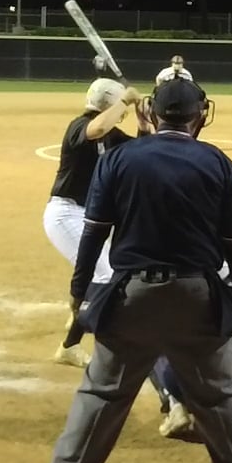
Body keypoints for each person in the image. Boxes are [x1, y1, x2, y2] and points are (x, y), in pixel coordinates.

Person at [41, 77, 232, 463]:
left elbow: (93, 234)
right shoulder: (219, 164)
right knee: (222, 399)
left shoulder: (120, 158)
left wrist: (79, 292)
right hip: (197, 298)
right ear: (199, 116)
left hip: (130, 297)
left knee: (101, 395)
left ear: (150, 112)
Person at [42, 77, 147, 367]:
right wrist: (125, 100)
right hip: (65, 214)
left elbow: (141, 153)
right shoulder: (79, 126)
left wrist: (142, 122)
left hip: (88, 216)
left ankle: (79, 314)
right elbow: (97, 128)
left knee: (109, 270)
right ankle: (70, 346)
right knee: (105, 273)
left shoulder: (111, 135)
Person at [156, 271, 232, 439]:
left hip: (179, 383)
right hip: (229, 385)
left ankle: (175, 404)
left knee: (152, 343)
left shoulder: (168, 279)